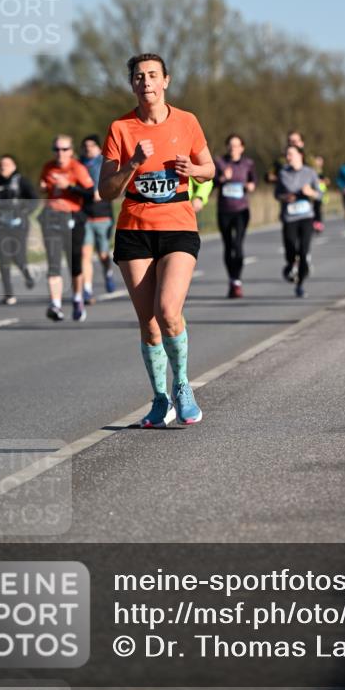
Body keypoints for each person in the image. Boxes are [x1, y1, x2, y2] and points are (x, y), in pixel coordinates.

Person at [99, 53, 215, 428]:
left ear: (166, 80)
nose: (145, 81)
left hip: (178, 225)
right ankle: (160, 398)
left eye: (152, 75)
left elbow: (210, 167)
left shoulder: (187, 121)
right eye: (138, 77)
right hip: (134, 230)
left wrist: (193, 170)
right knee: (148, 322)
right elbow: (105, 191)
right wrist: (131, 164)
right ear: (132, 84)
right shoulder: (121, 128)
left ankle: (182, 385)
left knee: (168, 311)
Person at [39, 135, 94, 322]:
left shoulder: (77, 168)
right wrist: (44, 187)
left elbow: (91, 193)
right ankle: (55, 304)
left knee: (74, 264)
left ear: (71, 151)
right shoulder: (48, 167)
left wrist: (69, 186)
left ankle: (77, 298)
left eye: (64, 149)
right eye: (56, 149)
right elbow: (45, 187)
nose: (60, 153)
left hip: (73, 218)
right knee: (53, 263)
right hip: (52, 217)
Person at [0, 154, 38, 304]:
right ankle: (9, 294)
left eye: (7, 164)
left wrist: (24, 209)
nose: (3, 167)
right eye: (1, 165)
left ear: (14, 166)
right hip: (1, 225)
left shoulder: (21, 181)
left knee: (18, 256)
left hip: (19, 225)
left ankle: (26, 273)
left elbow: (34, 200)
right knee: (3, 259)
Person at [275, 144, 322, 299]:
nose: (288, 157)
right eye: (287, 155)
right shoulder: (283, 173)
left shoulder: (310, 173)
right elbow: (277, 194)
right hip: (289, 218)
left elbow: (320, 195)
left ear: (300, 155)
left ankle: (300, 284)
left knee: (303, 251)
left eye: (291, 154)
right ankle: (290, 264)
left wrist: (311, 193)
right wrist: (285, 197)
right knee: (290, 248)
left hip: (306, 217)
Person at [214, 134, 257, 298]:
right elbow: (211, 183)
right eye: (230, 145)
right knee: (228, 245)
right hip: (224, 210)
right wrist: (223, 178)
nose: (233, 148)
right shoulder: (220, 162)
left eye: (236, 145)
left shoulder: (248, 163)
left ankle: (237, 280)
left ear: (242, 147)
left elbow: (254, 180)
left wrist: (251, 185)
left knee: (238, 245)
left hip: (241, 210)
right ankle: (232, 279)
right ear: (227, 147)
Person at [79, 135, 116, 304]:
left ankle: (108, 273)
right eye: (85, 146)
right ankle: (87, 290)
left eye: (92, 146)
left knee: (102, 254)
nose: (88, 149)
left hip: (103, 216)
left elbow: (115, 185)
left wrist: (102, 192)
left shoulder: (106, 163)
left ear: (99, 148)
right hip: (84, 216)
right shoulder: (78, 164)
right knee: (85, 254)